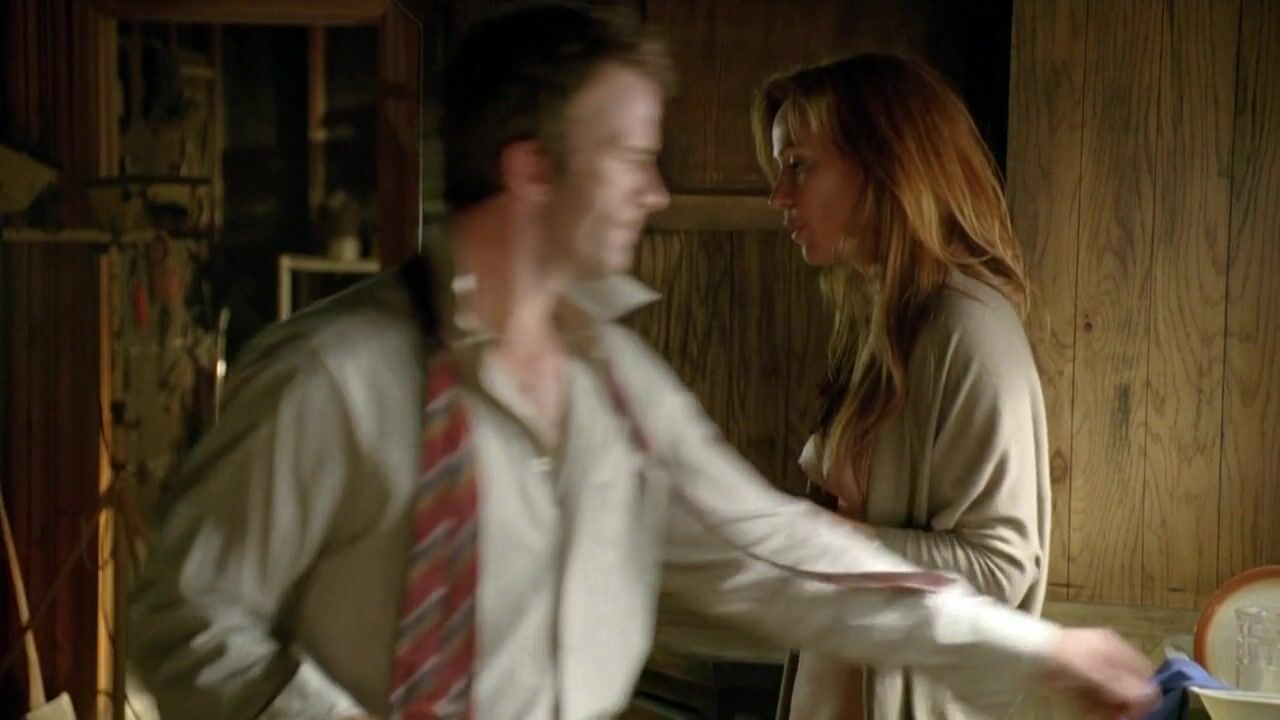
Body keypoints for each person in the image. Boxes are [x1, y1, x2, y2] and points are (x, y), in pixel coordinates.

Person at [129, 4, 1156, 720]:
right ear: (532, 171)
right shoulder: (327, 379)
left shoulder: (616, 392)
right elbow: (187, 625)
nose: (655, 192)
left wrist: (1035, 650)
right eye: (629, 157)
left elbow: (780, 559)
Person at [753, 54, 1051, 720]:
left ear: (885, 163)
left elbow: (1001, 569)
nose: (779, 196)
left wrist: (819, 541)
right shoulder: (890, 319)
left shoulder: (966, 328)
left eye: (799, 165)